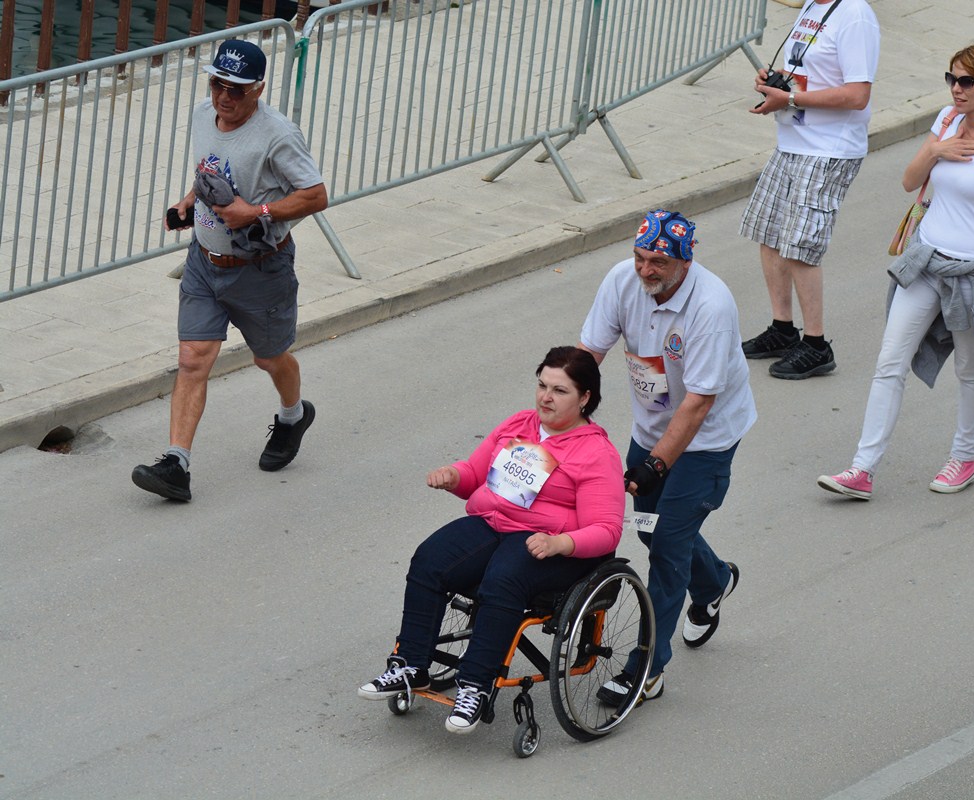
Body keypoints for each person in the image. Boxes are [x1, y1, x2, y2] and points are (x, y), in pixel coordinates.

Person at [357, 346, 624, 735]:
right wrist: (453, 476)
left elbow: (606, 529)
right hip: (494, 524)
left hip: (550, 543)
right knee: (430, 559)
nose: (546, 397)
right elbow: (475, 474)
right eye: (542, 385)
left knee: (502, 581)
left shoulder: (595, 452)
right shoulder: (520, 424)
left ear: (585, 398)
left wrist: (560, 544)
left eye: (560, 390)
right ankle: (411, 666)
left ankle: (475, 687)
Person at [817, 44, 974, 500]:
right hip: (924, 263)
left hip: (973, 273)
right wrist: (938, 148)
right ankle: (861, 469)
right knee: (888, 364)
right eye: (951, 78)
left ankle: (964, 456)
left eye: (967, 81)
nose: (956, 89)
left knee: (970, 368)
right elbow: (908, 179)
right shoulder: (945, 120)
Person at [132, 39, 327, 502]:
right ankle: (175, 464)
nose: (225, 96)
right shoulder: (203, 113)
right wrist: (188, 200)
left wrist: (256, 211)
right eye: (218, 83)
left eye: (237, 89)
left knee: (268, 358)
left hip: (261, 268)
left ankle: (293, 415)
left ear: (258, 89)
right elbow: (209, 171)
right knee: (193, 358)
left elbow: (316, 195)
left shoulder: (278, 134)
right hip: (204, 262)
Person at [579, 210, 756, 706]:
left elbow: (698, 405)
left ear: (684, 260)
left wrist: (654, 466)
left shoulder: (711, 308)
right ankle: (716, 579)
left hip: (707, 438)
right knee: (647, 525)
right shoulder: (622, 280)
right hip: (654, 423)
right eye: (639, 257)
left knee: (666, 546)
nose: (645, 270)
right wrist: (564, 410)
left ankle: (647, 667)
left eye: (657, 261)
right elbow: (589, 353)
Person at [739, 0, 880, 380]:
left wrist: (791, 98)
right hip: (793, 140)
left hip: (828, 148)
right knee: (769, 234)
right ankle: (783, 329)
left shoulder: (855, 15)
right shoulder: (811, 8)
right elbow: (808, 72)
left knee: (802, 245)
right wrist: (776, 80)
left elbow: (857, 95)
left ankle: (816, 344)